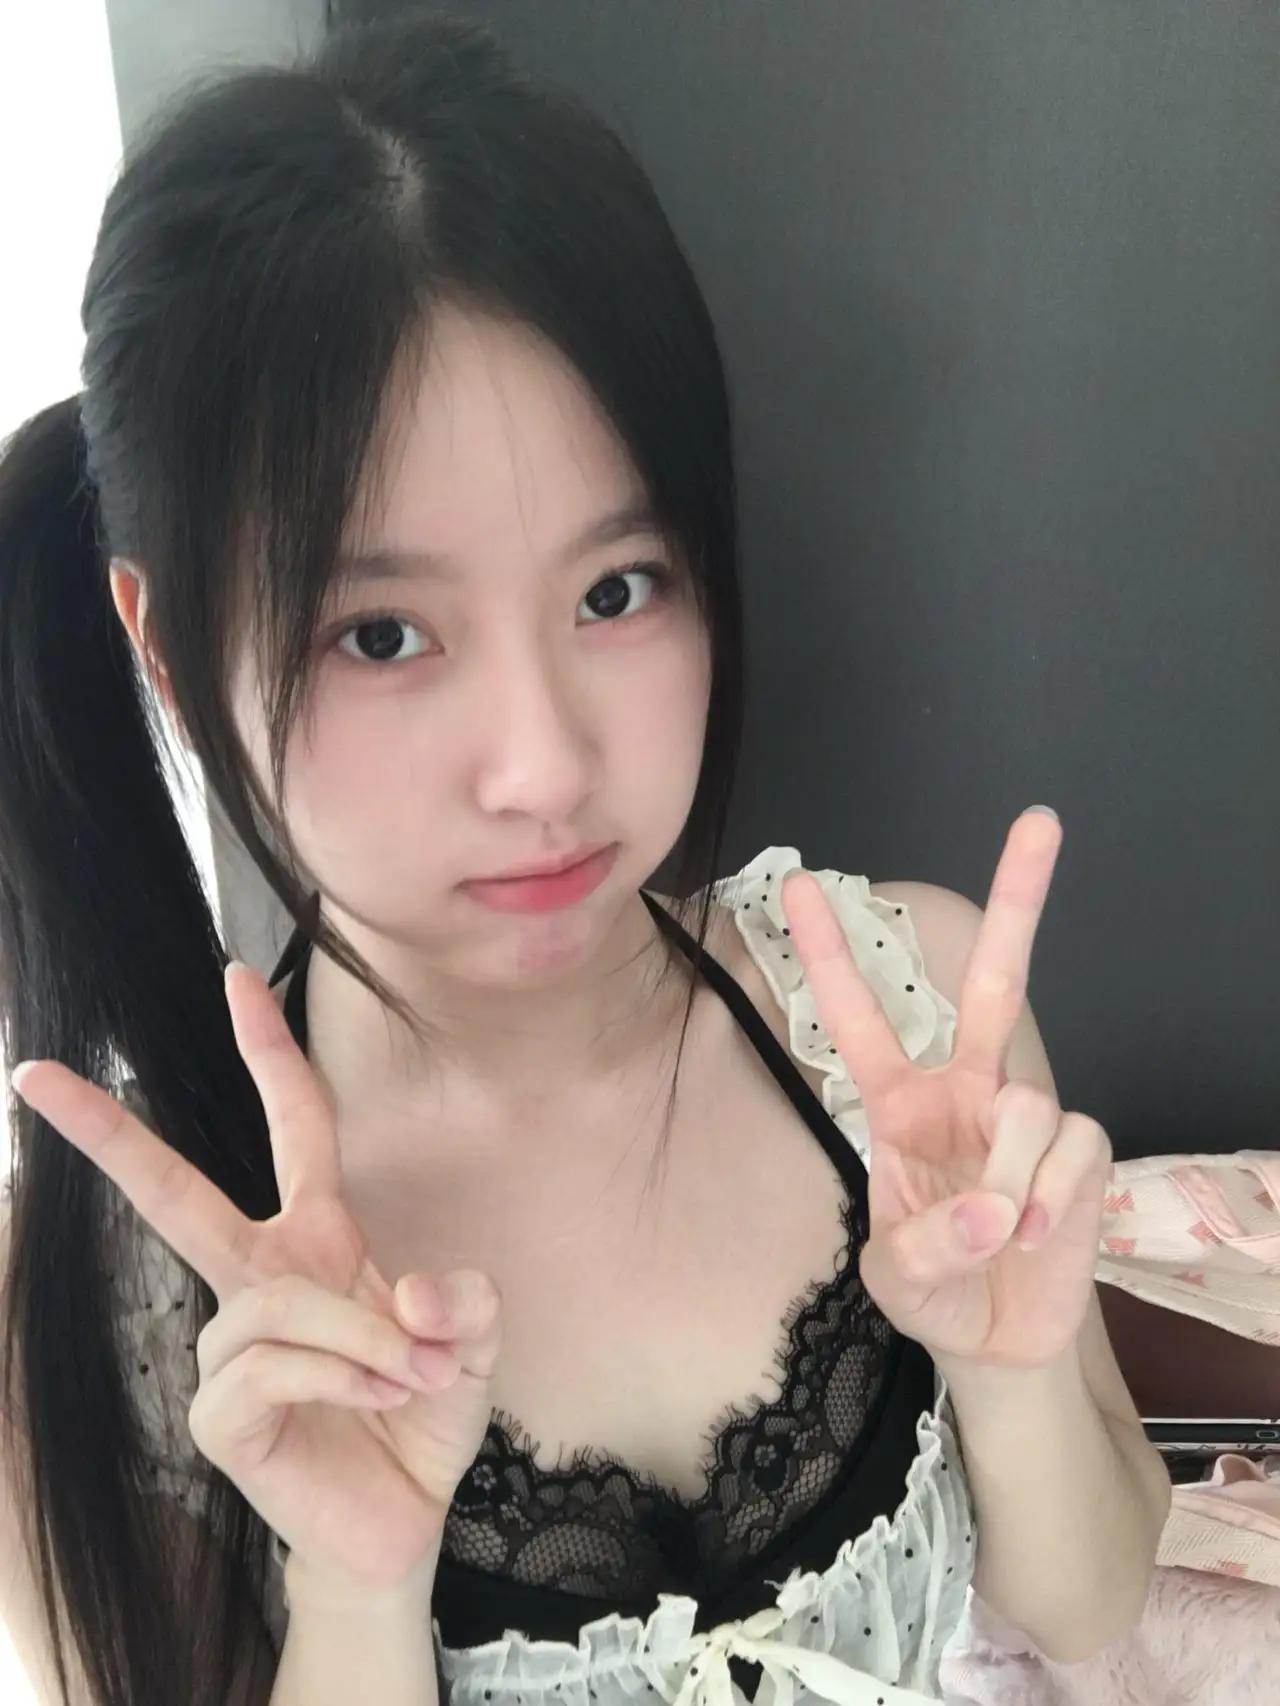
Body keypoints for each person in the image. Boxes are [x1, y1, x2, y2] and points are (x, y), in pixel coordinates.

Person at [0, 11, 1171, 1706]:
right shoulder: (112, 1292)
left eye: (616, 590)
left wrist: (1013, 1363)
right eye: (383, 633)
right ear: (170, 654)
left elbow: (1086, 1605)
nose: (545, 765)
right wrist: (357, 1590)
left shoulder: (901, 1018)